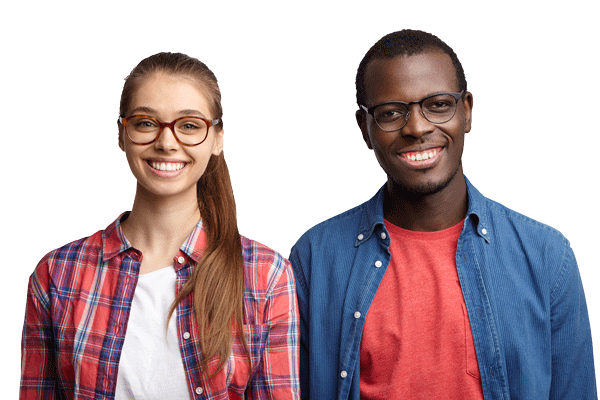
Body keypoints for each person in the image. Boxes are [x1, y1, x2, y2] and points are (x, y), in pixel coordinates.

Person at [289, 30, 597, 399]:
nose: (417, 128)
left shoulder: (547, 255)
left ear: (466, 111)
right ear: (365, 129)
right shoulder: (315, 258)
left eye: (437, 105)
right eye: (391, 113)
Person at [20, 52, 299, 399]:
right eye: (146, 123)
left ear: (218, 138)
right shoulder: (57, 275)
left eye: (189, 125)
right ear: (122, 135)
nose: (167, 143)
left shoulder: (266, 275)